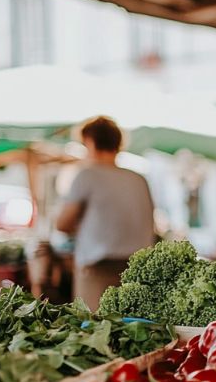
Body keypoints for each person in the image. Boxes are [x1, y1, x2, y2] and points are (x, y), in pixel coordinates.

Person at [57, 116, 155, 310]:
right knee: (134, 333)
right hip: (138, 273)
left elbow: (62, 224)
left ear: (90, 142)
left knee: (94, 331)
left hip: (98, 272)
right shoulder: (138, 179)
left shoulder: (87, 175)